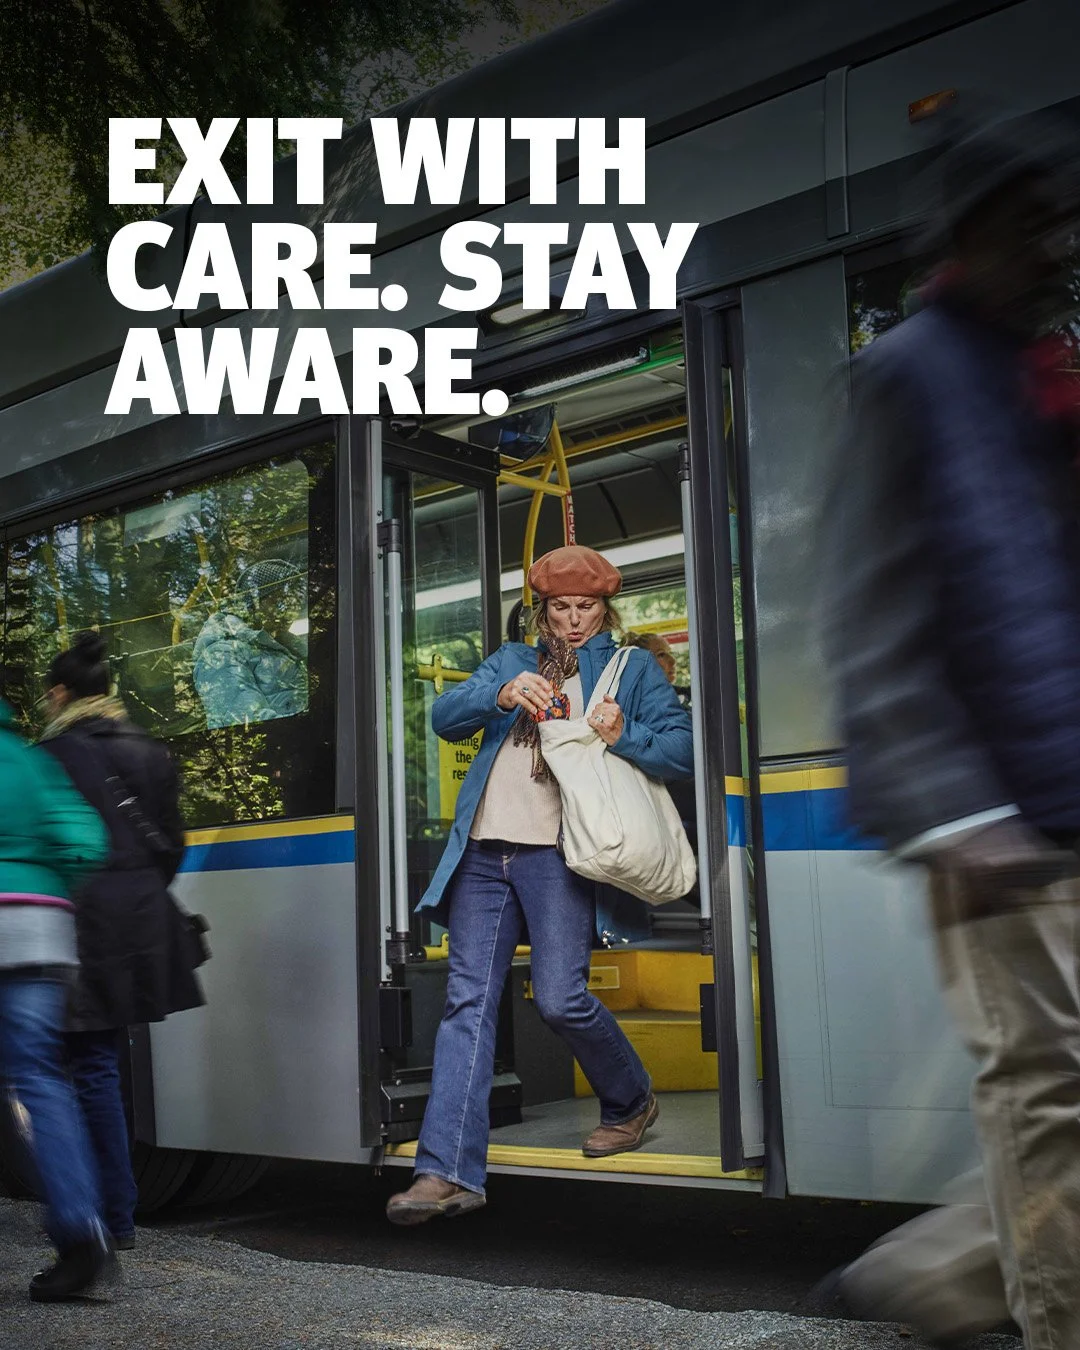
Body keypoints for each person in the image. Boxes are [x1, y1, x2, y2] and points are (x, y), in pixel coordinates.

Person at [819, 111, 1080, 1348]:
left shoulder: (1041, 377)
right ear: (975, 234)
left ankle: (932, 1280)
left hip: (1065, 785)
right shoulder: (908, 369)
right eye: (1034, 227)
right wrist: (956, 811)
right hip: (1005, 819)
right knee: (1048, 1096)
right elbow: (870, 614)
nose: (1057, 250)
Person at [386, 544, 694, 1225]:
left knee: (559, 998)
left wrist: (624, 732)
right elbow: (443, 718)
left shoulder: (630, 668)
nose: (575, 620)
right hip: (483, 857)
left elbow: (682, 748)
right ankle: (445, 1172)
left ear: (605, 609)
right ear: (542, 612)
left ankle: (632, 1098)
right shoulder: (511, 661)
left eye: (587, 607)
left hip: (557, 858)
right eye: (562, 608)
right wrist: (497, 693)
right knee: (468, 1003)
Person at [39, 631, 204, 1254]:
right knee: (104, 1066)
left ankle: (96, 1213)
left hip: (78, 923)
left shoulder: (52, 755)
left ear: (60, 694)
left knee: (64, 1069)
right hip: (138, 924)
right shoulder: (151, 752)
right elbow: (173, 845)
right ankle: (117, 1211)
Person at [0, 692, 114, 1300]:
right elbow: (85, 840)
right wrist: (40, 881)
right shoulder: (27, 758)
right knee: (40, 1080)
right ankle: (80, 1230)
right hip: (40, 927)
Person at [193, 560, 308, 730]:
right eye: (277, 600)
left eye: (291, 601)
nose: (286, 609)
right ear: (254, 604)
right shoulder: (222, 654)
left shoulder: (284, 649)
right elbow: (250, 723)